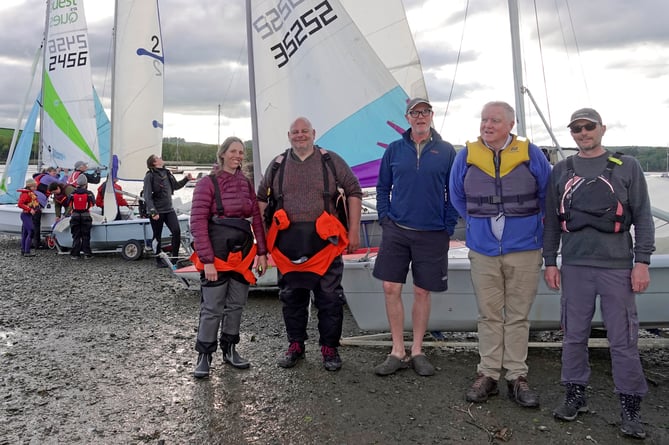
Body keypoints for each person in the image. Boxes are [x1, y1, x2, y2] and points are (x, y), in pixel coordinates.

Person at [543, 108, 654, 439]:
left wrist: (642, 261)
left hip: (617, 266)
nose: (582, 132)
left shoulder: (627, 166)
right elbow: (551, 219)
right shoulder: (561, 170)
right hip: (575, 266)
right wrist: (550, 261)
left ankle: (630, 409)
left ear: (601, 129)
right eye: (576, 128)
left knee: (623, 340)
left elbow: (644, 216)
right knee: (573, 335)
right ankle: (574, 396)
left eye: (588, 126)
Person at [449, 101, 551, 407]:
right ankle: (489, 374)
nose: (487, 125)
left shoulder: (530, 152)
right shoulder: (465, 156)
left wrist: (534, 227)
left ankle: (517, 376)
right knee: (489, 314)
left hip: (524, 249)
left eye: (494, 120)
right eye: (484, 120)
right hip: (483, 250)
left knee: (518, 316)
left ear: (510, 125)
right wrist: (477, 221)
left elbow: (547, 193)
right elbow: (456, 195)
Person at [256, 117, 362, 372]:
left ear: (314, 133)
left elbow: (354, 190)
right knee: (292, 298)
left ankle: (329, 348)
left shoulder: (330, 160)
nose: (300, 135)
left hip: (325, 244)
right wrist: (262, 243)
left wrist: (354, 231)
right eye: (295, 132)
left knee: (329, 298)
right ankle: (295, 345)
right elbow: (260, 200)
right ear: (289, 135)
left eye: (305, 131)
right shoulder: (278, 164)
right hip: (288, 246)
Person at [371, 98, 459, 377]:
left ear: (432, 116)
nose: (420, 116)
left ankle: (418, 350)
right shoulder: (395, 150)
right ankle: (397, 349)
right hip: (397, 229)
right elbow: (383, 186)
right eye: (414, 112)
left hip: (432, 232)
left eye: (425, 112)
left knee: (422, 291)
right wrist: (385, 217)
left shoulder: (446, 151)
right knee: (390, 288)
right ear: (407, 117)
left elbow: (453, 192)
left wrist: (447, 225)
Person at [189, 137, 269, 378]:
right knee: (212, 307)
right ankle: (204, 356)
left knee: (236, 305)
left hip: (242, 254)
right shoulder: (207, 184)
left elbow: (257, 219)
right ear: (222, 154)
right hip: (217, 254)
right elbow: (198, 223)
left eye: (241, 152)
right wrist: (208, 261)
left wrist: (262, 253)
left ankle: (230, 349)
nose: (238, 155)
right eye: (233, 151)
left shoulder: (246, 184)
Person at [143, 154, 193, 267]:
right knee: (157, 236)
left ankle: (175, 259)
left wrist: (186, 179)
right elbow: (147, 196)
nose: (161, 157)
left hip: (169, 209)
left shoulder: (167, 173)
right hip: (157, 211)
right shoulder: (149, 176)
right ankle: (158, 260)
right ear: (154, 162)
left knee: (176, 231)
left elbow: (175, 186)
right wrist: (153, 211)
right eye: (158, 157)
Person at [65, 174, 96, 259]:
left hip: (75, 215)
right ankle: (87, 253)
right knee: (86, 235)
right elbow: (93, 203)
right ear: (86, 184)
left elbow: (68, 203)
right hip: (86, 215)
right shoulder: (89, 194)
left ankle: (75, 254)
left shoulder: (72, 193)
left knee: (76, 235)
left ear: (77, 183)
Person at [17, 178, 39, 257]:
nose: (35, 188)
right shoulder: (26, 194)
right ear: (30, 186)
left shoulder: (30, 193)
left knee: (25, 233)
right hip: (26, 215)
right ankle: (27, 251)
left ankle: (24, 250)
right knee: (31, 231)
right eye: (34, 187)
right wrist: (29, 209)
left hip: (27, 215)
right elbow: (20, 204)